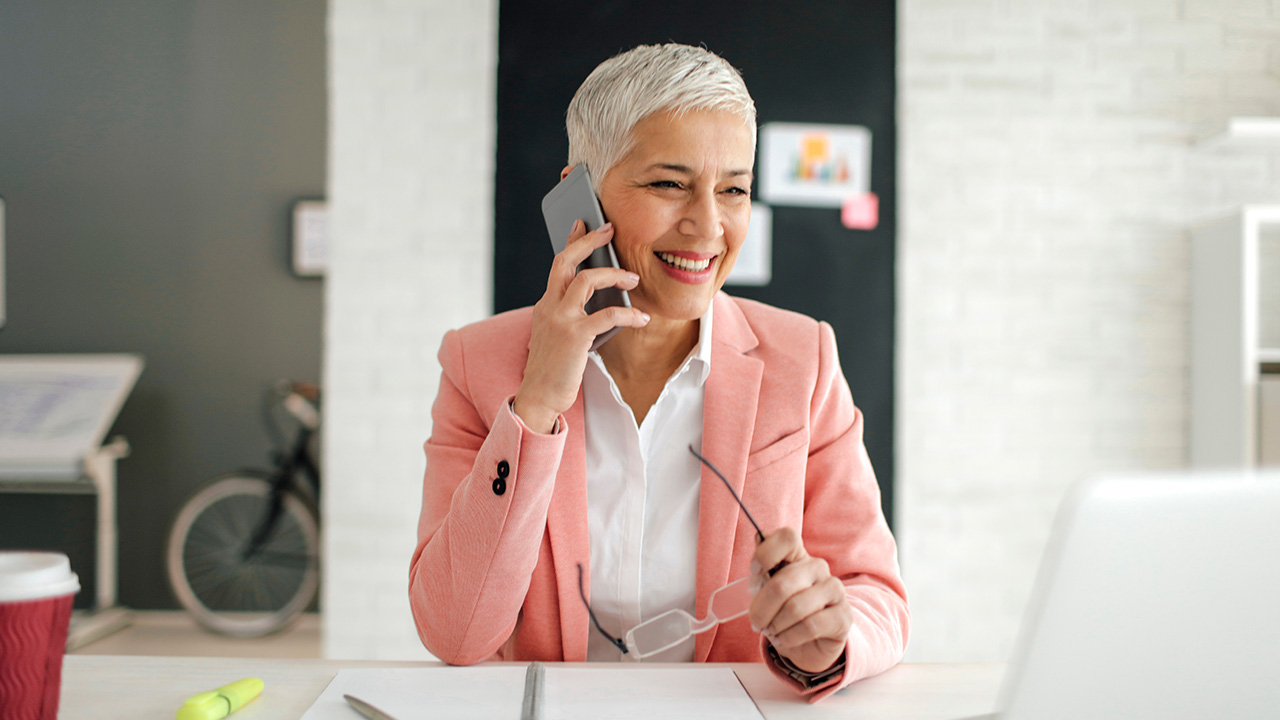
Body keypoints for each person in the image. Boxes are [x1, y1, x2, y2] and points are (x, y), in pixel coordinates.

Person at [408, 43, 908, 702]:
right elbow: (455, 630)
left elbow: (876, 596)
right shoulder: (480, 364)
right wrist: (536, 405)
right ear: (577, 197)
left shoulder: (802, 360)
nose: (708, 226)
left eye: (733, 190)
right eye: (669, 184)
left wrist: (826, 644)